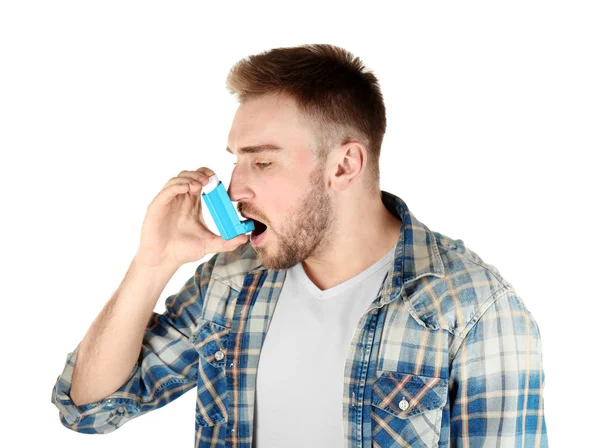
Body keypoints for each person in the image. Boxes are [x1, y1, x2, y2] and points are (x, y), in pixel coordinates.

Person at [51, 44, 548, 447]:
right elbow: (90, 410)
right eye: (236, 160)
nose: (234, 188)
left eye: (262, 163)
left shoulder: (477, 311)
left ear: (344, 165)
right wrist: (152, 264)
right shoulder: (230, 281)